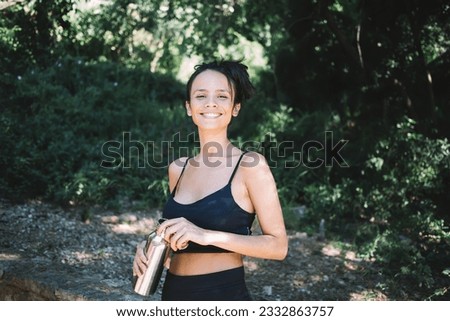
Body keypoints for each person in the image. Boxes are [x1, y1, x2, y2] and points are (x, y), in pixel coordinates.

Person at [133, 60, 288, 301]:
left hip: (223, 296)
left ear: (235, 107)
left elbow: (278, 247)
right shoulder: (178, 169)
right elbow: (177, 238)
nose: (211, 103)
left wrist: (206, 235)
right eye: (201, 95)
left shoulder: (250, 165)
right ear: (189, 106)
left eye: (222, 96)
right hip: (173, 296)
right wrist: (148, 249)